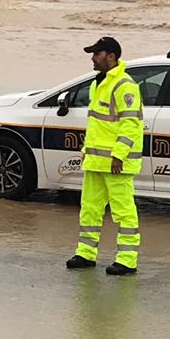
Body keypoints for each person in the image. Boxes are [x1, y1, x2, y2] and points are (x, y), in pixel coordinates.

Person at [67, 37, 143, 276]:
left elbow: (131, 125)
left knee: (123, 211)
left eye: (96, 54)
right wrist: (85, 153)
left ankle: (127, 260)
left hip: (116, 163)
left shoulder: (125, 86)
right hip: (96, 161)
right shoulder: (98, 83)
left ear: (111, 56)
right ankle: (86, 254)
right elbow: (99, 126)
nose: (92, 58)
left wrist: (119, 155)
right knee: (89, 208)